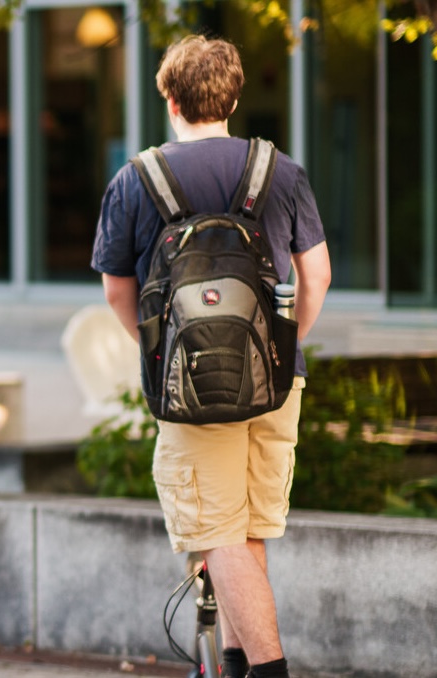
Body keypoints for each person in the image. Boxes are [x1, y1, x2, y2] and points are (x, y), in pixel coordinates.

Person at [92, 35, 330, 678]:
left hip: (190, 383)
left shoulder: (137, 180)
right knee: (246, 532)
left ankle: (269, 670)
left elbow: (117, 289)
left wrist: (159, 351)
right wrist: (284, 348)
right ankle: (234, 667)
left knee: (218, 535)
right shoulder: (280, 172)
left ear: (169, 98)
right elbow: (318, 275)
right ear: (233, 96)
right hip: (276, 381)